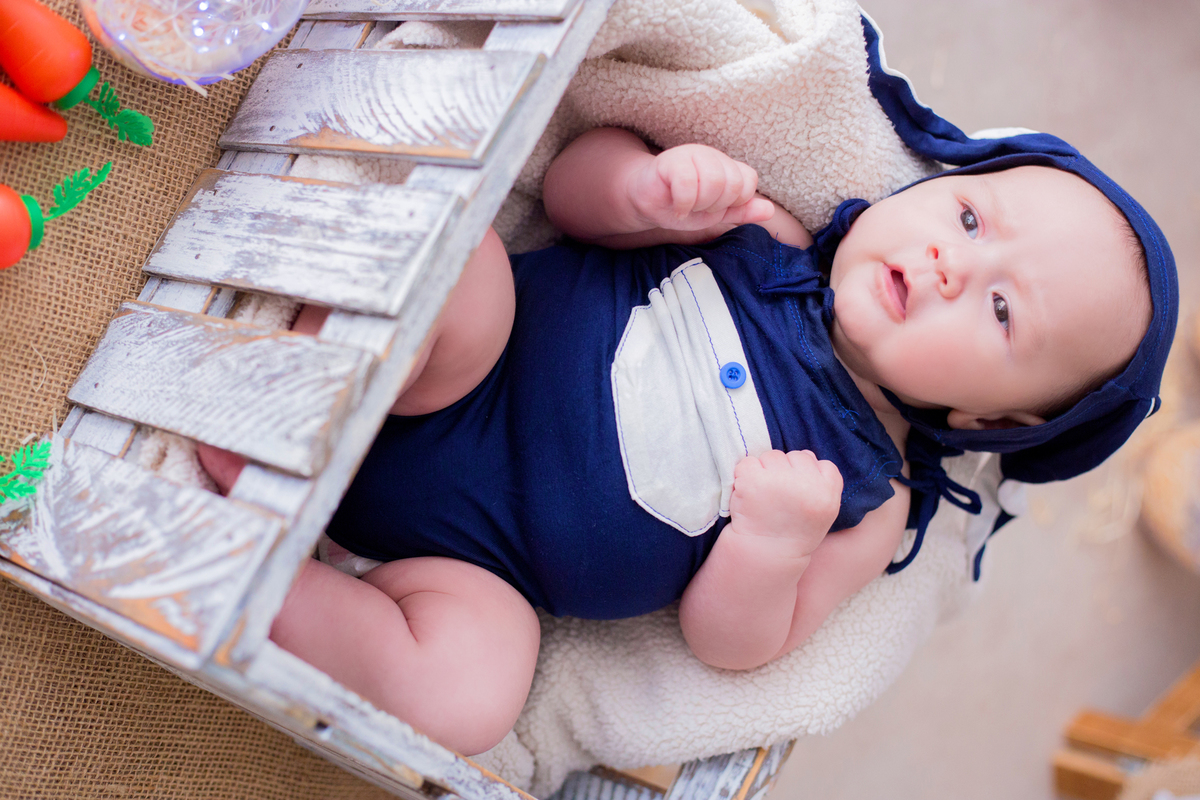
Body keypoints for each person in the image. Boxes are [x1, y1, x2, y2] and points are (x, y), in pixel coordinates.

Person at [199, 125, 1166, 756]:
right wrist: (643, 191)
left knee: (471, 695)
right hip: (461, 375)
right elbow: (573, 193)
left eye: (1001, 309)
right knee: (472, 269)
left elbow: (734, 645)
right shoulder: (759, 232)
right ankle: (287, 408)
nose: (953, 264)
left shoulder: (871, 505)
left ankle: (247, 566)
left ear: (992, 426)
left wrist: (773, 544)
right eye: (967, 214)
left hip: (477, 565)